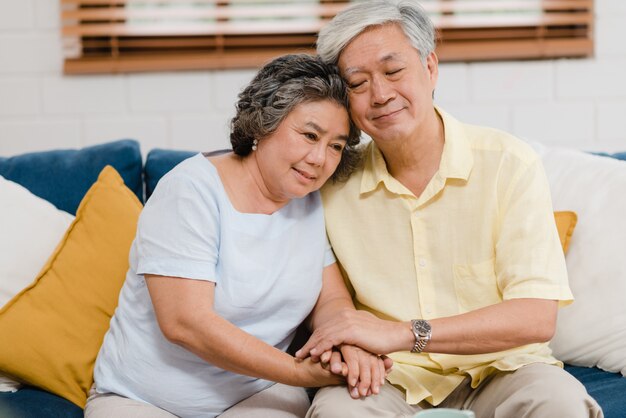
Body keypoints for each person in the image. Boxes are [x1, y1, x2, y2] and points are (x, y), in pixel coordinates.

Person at [295, 2, 604, 417]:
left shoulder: (508, 162)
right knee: (336, 412)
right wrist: (350, 341)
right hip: (387, 375)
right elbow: (326, 295)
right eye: (358, 82)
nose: (381, 94)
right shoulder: (330, 181)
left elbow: (535, 317)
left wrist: (404, 334)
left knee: (561, 403)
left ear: (430, 67)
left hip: (503, 367)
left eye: (393, 71)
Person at [85, 54, 391, 418]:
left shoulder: (309, 200)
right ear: (264, 124)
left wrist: (347, 341)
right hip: (141, 399)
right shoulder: (191, 191)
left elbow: (331, 301)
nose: (320, 158)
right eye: (309, 135)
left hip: (255, 394)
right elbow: (185, 323)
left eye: (336, 146)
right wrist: (296, 372)